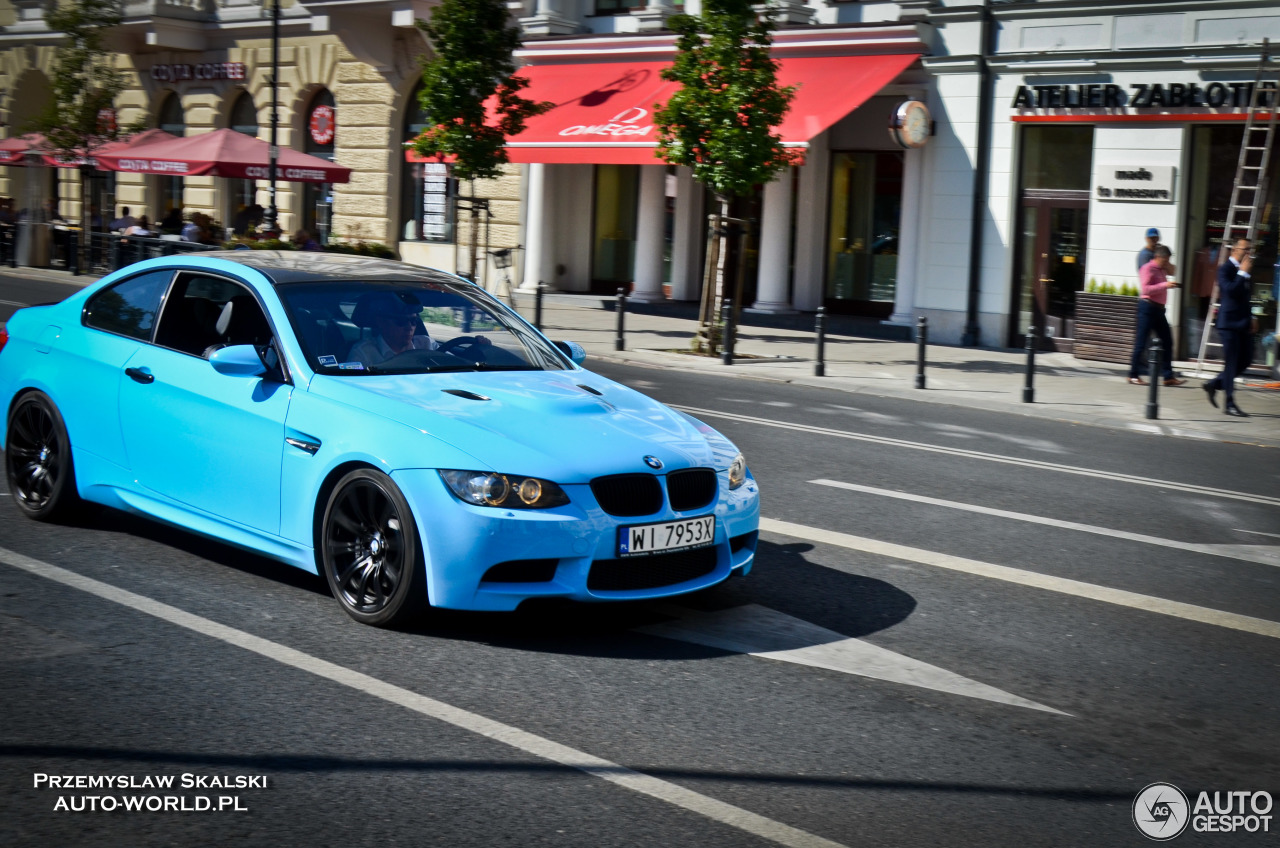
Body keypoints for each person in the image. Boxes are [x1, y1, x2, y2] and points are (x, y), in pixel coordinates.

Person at [1203, 238, 1255, 417]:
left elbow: (1245, 297)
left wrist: (1252, 316)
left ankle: (1215, 384)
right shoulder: (1224, 269)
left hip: (1243, 323)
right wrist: (1241, 273)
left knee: (1246, 359)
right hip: (1229, 324)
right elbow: (1230, 291)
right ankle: (1230, 404)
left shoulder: (1245, 270)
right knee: (1232, 364)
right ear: (1234, 250)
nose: (1249, 253)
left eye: (1251, 250)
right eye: (1245, 249)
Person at [1128, 245, 1184, 386]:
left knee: (1168, 341)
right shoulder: (1147, 268)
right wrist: (1165, 285)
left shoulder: (1162, 269)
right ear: (1158, 257)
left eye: (1168, 260)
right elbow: (1146, 289)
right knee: (1141, 342)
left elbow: (1174, 270)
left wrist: (1168, 266)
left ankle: (1168, 377)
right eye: (1165, 260)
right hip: (1147, 307)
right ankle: (1133, 375)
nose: (1167, 263)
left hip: (1159, 310)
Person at [347, 292, 440, 367]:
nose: (409, 327)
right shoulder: (364, 353)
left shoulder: (427, 344)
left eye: (414, 321)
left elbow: (452, 362)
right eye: (401, 321)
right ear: (382, 322)